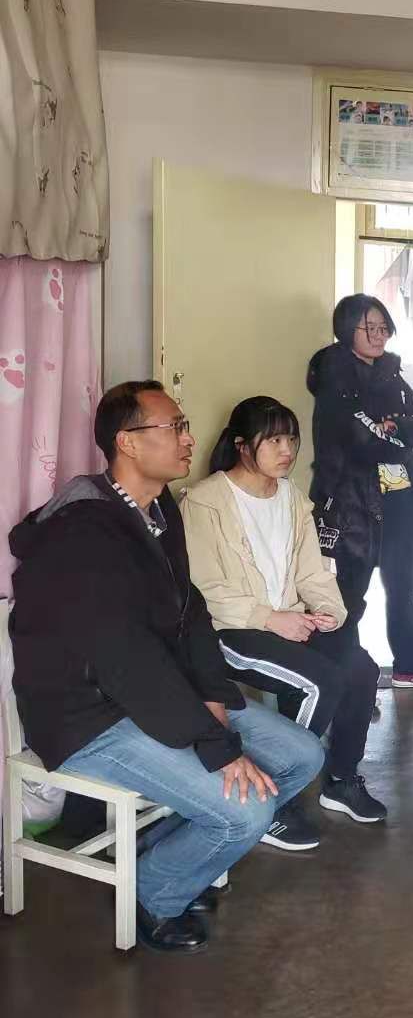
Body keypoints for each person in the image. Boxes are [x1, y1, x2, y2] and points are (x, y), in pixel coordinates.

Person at [8, 381, 325, 954]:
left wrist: (213, 696)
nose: (189, 439)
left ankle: (162, 858)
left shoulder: (157, 510)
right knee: (245, 812)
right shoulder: (84, 531)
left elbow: (190, 613)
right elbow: (123, 658)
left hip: (156, 694)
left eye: (184, 426)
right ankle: (155, 891)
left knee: (302, 755)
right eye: (174, 427)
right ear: (127, 442)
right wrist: (214, 741)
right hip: (87, 716)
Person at [181, 397, 386, 851]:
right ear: (242, 445)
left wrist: (328, 611)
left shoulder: (291, 498)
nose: (287, 450)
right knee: (318, 683)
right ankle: (273, 798)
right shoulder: (204, 502)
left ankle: (341, 779)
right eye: (273, 440)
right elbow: (205, 589)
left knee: (361, 670)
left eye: (291, 439)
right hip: (230, 629)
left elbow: (313, 572)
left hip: (289, 621)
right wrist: (271, 619)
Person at [307, 293, 413, 690]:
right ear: (346, 329)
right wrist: (397, 433)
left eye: (383, 327)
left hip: (400, 499)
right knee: (349, 594)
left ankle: (408, 667)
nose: (378, 335)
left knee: (403, 588)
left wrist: (395, 427)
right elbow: (363, 439)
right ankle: (342, 680)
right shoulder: (335, 376)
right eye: (368, 327)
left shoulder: (392, 373)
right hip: (353, 503)